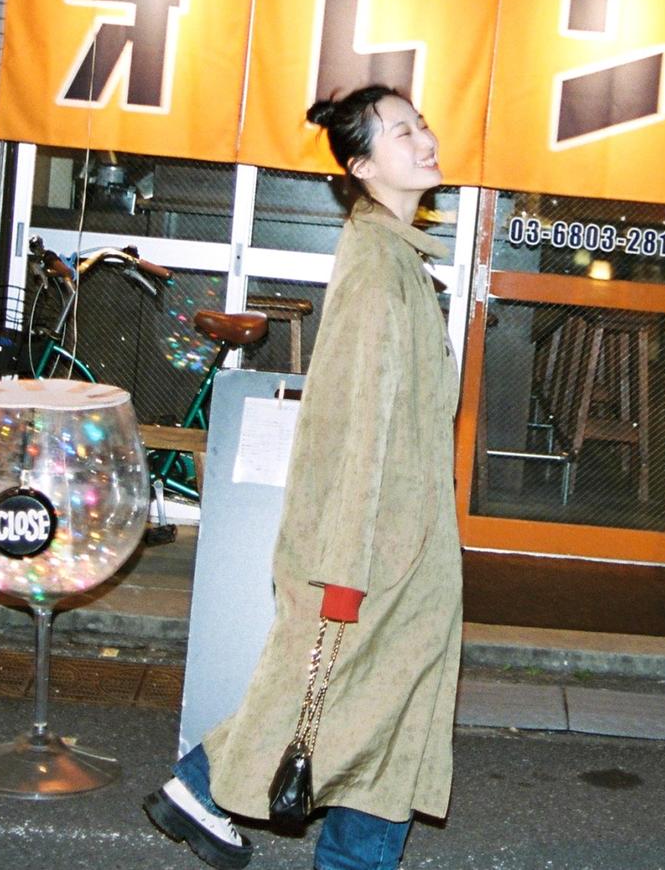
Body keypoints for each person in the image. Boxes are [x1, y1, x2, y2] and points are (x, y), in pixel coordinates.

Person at [144, 85, 463, 870]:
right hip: (379, 551)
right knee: (357, 706)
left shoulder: (395, 257)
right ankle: (205, 786)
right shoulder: (378, 272)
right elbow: (356, 429)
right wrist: (344, 571)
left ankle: (208, 791)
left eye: (420, 124)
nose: (423, 139)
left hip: (401, 544)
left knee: (383, 717)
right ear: (362, 166)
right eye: (400, 132)